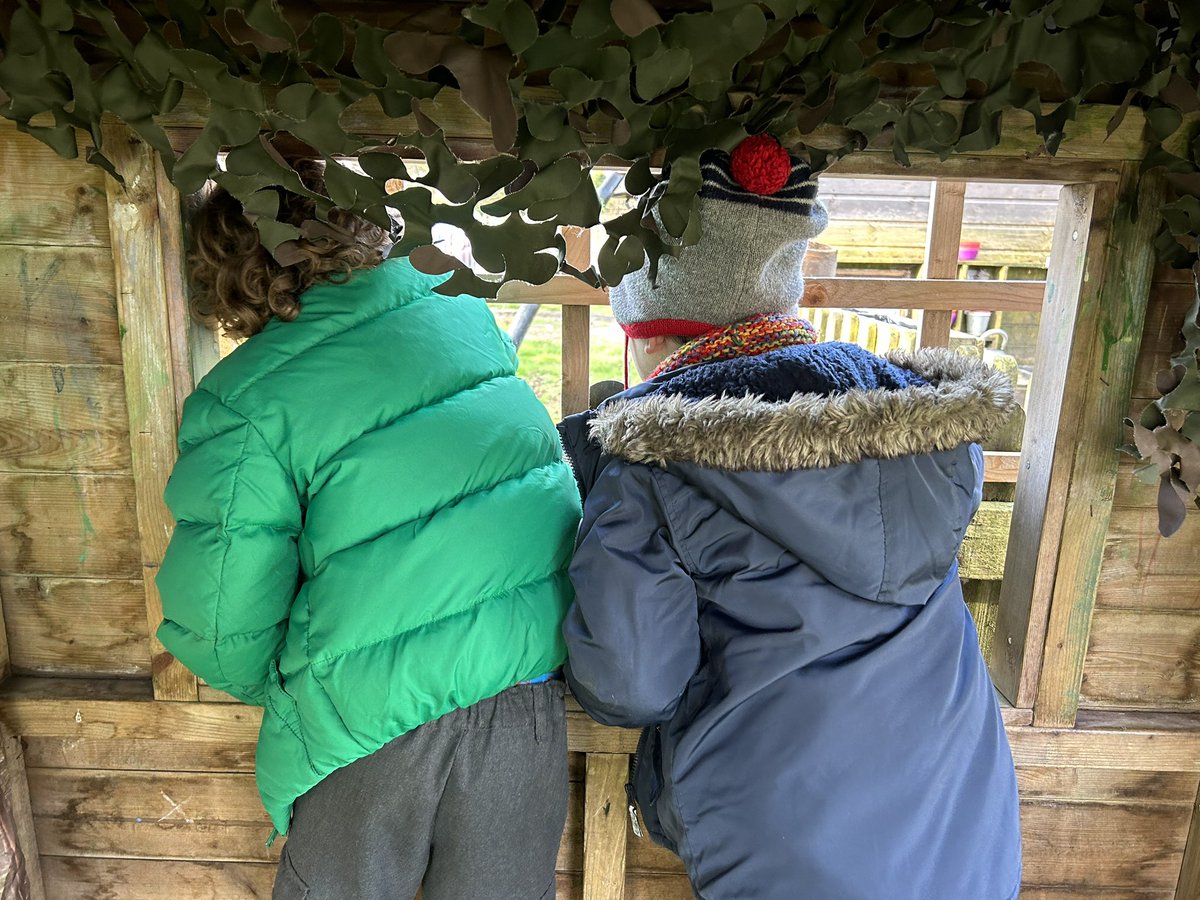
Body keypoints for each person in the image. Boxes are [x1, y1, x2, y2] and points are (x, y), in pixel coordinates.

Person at [559, 135, 1023, 900]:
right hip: (962, 832)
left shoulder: (648, 460)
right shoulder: (914, 421)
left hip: (783, 846)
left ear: (656, 333)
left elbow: (630, 684)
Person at [156, 161, 582, 900]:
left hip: (367, 722)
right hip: (525, 702)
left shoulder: (246, 398)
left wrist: (311, 681)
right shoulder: (463, 319)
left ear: (228, 272)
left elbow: (222, 620)